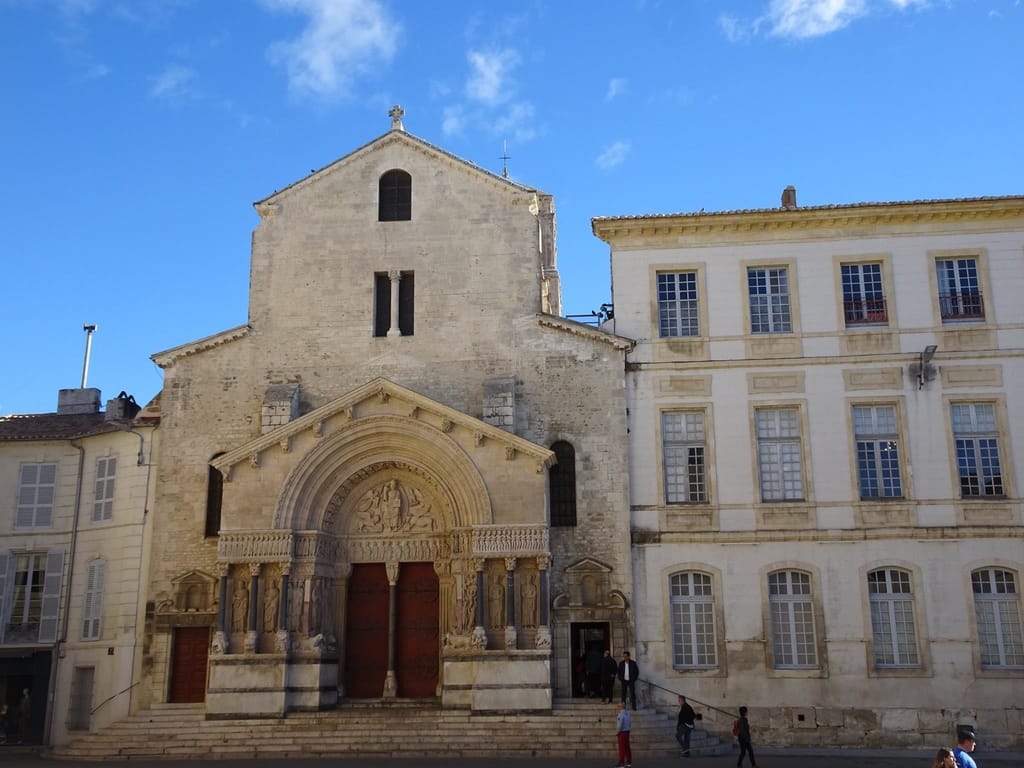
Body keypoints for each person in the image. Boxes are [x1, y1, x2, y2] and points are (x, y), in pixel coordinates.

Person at [614, 701, 632, 768]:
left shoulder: (620, 714)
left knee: (621, 748)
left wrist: (617, 732)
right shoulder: (628, 713)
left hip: (622, 732)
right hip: (627, 731)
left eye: (618, 706)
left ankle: (621, 763)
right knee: (627, 747)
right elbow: (630, 722)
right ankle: (628, 762)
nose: (617, 707)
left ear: (621, 707)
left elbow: (619, 725)